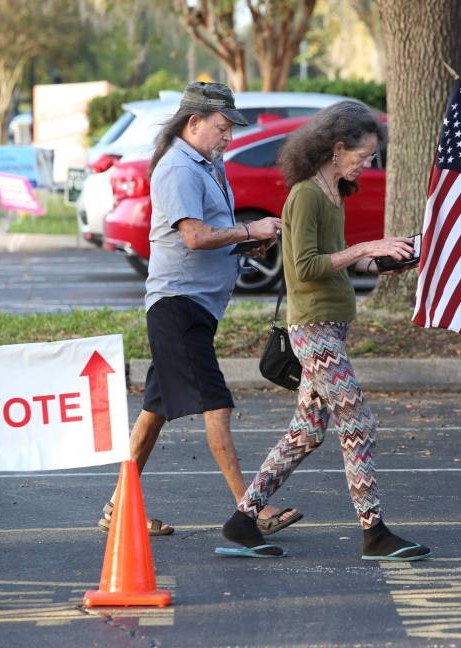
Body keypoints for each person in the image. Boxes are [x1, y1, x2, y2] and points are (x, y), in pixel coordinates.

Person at [219, 101, 431, 561]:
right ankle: (374, 533)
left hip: (330, 327)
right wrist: (365, 247)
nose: (368, 163)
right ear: (337, 149)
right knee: (358, 423)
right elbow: (305, 267)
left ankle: (242, 520)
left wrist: (387, 260)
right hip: (313, 330)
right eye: (364, 155)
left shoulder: (332, 194)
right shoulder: (307, 196)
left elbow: (339, 261)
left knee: (307, 433)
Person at [99, 81, 302, 537]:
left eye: (231, 127)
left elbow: (212, 236)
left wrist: (251, 245)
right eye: (222, 127)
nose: (229, 136)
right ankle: (250, 510)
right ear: (194, 123)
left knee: (154, 411)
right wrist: (249, 231)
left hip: (196, 308)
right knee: (217, 403)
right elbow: (193, 236)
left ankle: (117, 509)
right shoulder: (178, 169)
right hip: (178, 307)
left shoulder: (208, 165)